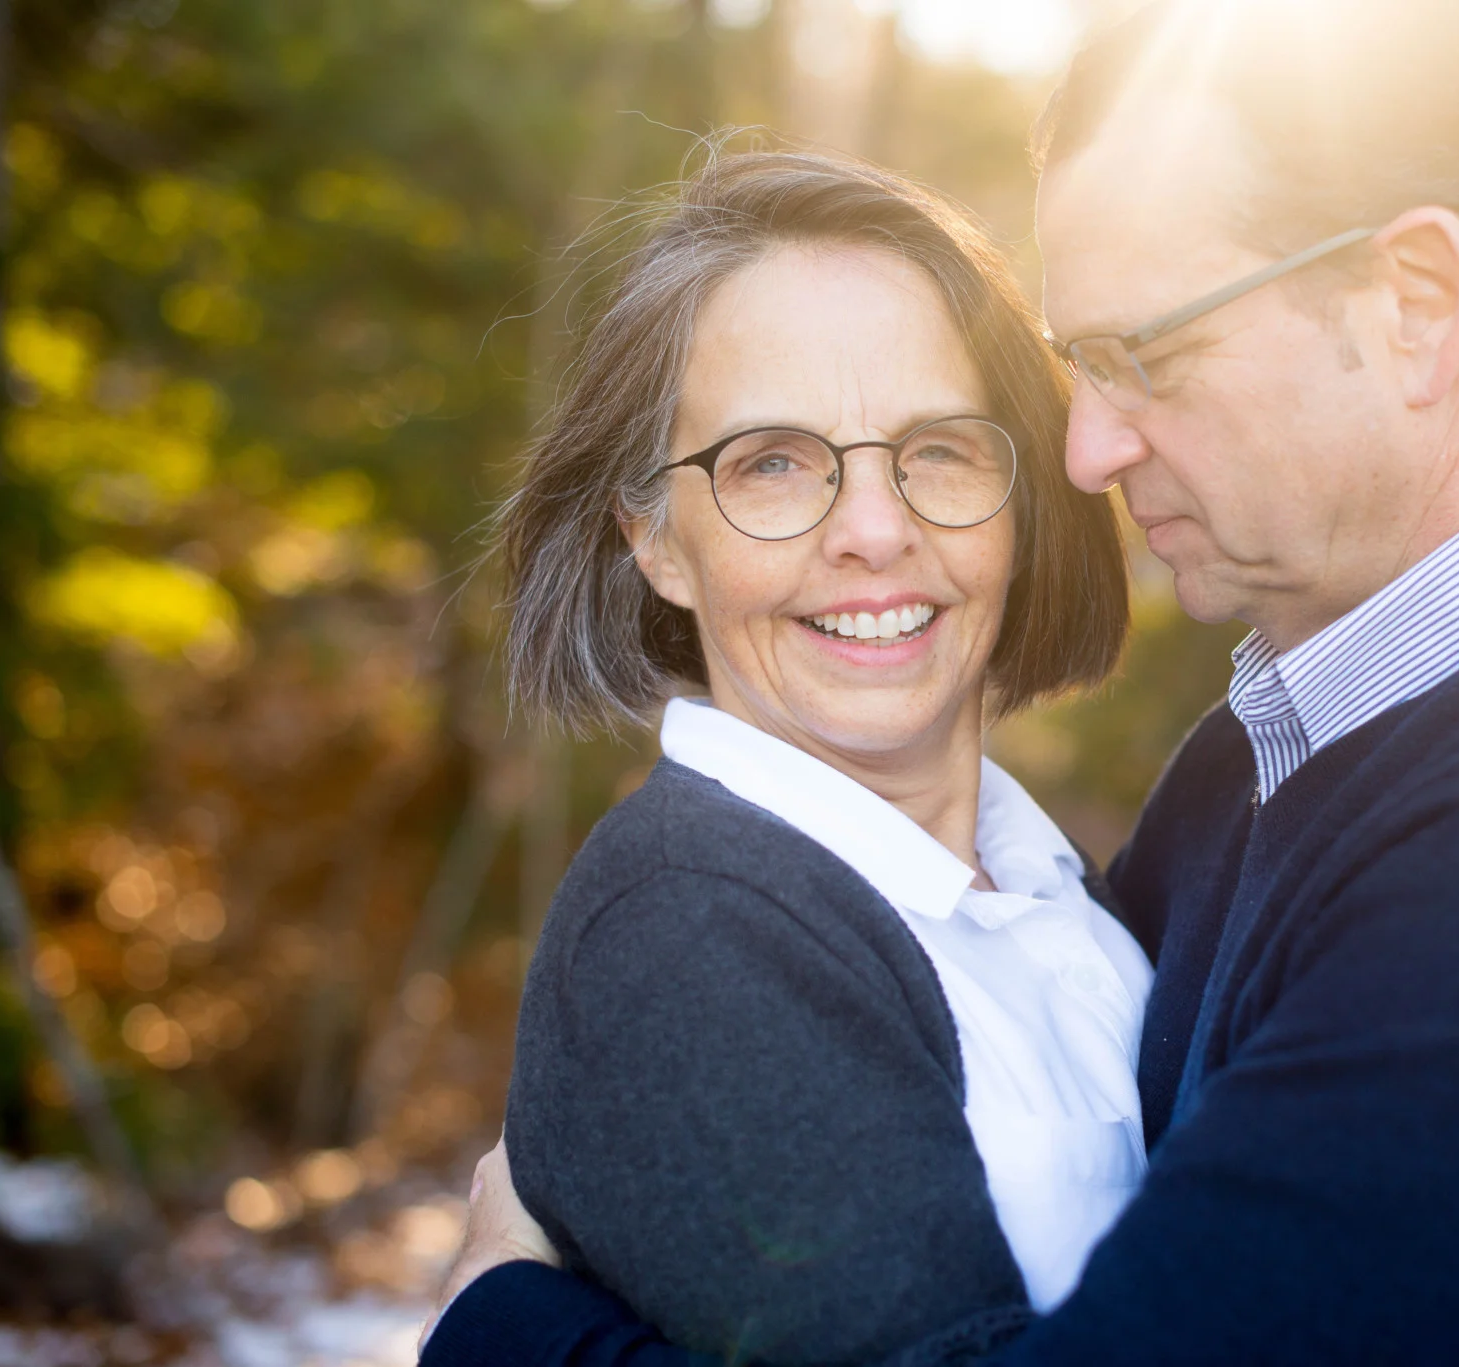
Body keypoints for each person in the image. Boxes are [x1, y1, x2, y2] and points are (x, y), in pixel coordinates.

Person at [423, 1, 1459, 1363]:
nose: (1089, 452)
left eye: (1145, 353)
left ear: (1418, 304)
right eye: (1082, 369)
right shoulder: (1257, 771)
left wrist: (511, 1335)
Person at [445, 148, 1146, 1366]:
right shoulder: (690, 923)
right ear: (655, 539)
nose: (874, 531)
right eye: (770, 462)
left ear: (1020, 499)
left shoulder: (1049, 884)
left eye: (937, 447)